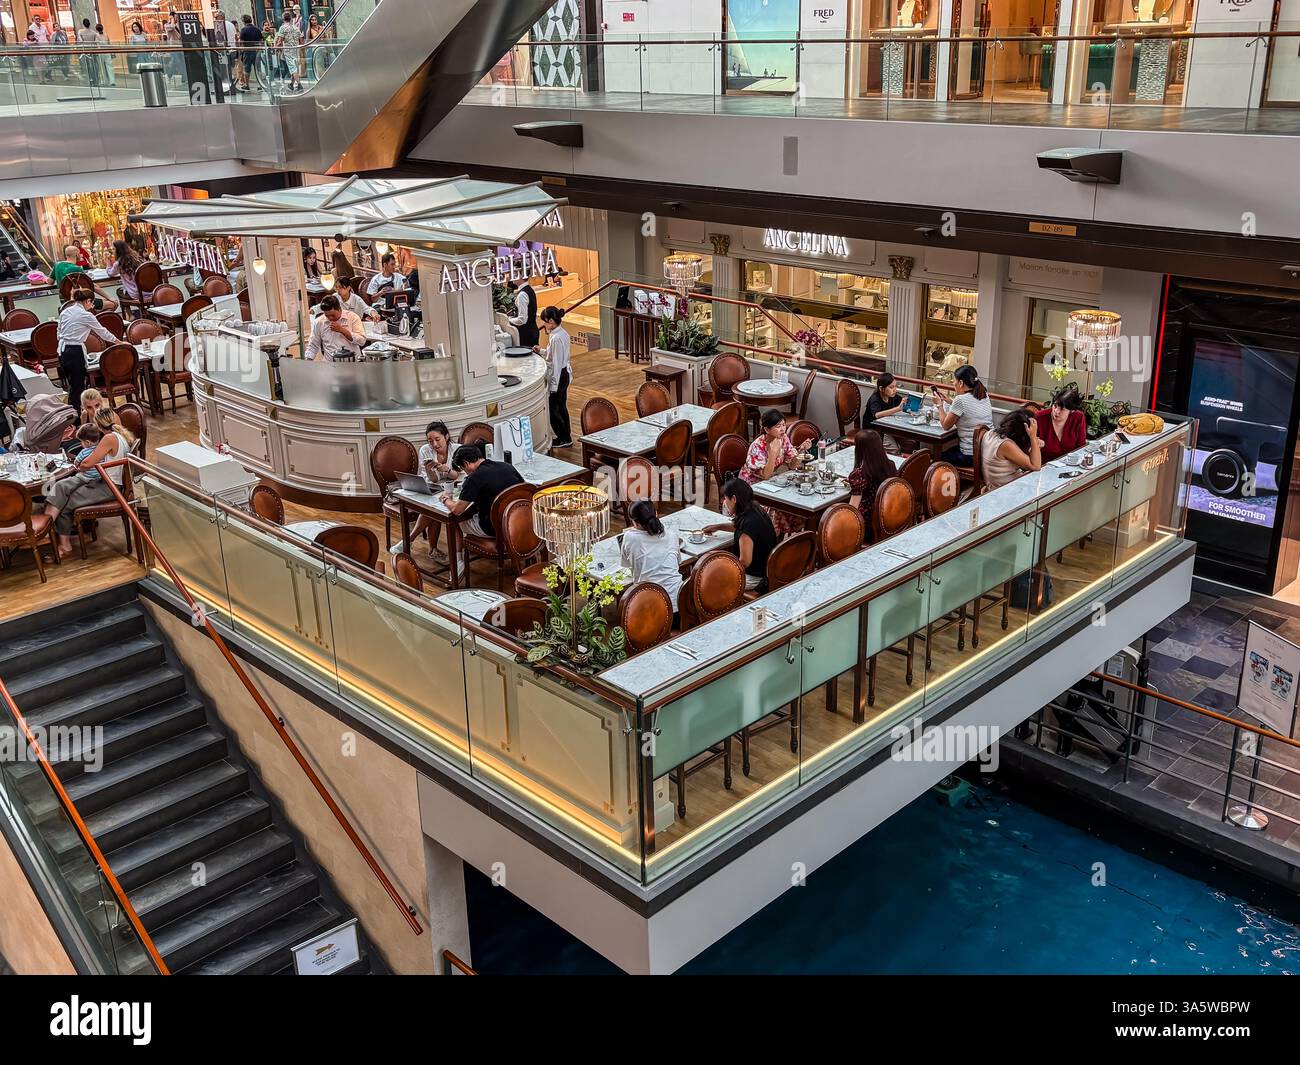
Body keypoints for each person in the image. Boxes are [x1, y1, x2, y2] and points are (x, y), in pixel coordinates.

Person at [43, 409, 133, 558]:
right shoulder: (120, 436)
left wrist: (80, 464)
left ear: (98, 424)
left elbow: (87, 464)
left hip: (109, 487)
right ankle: (47, 531)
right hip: (108, 482)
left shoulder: (109, 438)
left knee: (66, 503)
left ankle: (62, 544)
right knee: (61, 488)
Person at [740, 408, 811, 538]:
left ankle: (791, 542)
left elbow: (792, 465)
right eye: (778, 426)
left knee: (796, 502)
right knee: (776, 510)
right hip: (753, 488)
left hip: (772, 485)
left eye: (783, 425)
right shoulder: (757, 447)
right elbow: (765, 475)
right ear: (767, 430)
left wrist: (801, 451)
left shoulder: (784, 439)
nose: (783, 429)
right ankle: (771, 542)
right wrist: (773, 452)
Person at [389, 420, 454, 560]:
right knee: (433, 510)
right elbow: (433, 480)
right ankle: (433, 550)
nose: (434, 444)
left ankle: (409, 540)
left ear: (446, 436)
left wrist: (447, 470)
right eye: (430, 441)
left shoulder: (457, 449)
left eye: (437, 439)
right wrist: (431, 470)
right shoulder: (425, 450)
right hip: (434, 487)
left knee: (433, 509)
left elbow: (459, 475)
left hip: (452, 487)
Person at [701, 477, 777, 593]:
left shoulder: (747, 527)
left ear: (734, 499)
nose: (723, 502)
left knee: (707, 580)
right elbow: (738, 525)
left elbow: (744, 562)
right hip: (768, 568)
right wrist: (717, 527)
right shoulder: (755, 510)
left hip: (755, 578)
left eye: (725, 498)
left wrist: (722, 569)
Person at [441, 443, 523, 540]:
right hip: (520, 520)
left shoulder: (474, 478)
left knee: (458, 521)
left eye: (463, 469)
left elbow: (457, 510)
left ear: (466, 463)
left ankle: (460, 554)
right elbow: (523, 487)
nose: (465, 472)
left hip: (495, 528)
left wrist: (445, 499)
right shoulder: (506, 466)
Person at [58, 289, 118, 412]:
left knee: (73, 386)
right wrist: (119, 342)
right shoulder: (86, 315)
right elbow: (103, 332)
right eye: (92, 302)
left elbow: (58, 331)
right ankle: (76, 418)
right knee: (78, 388)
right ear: (87, 301)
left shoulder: (65, 312)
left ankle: (78, 414)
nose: (92, 305)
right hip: (75, 352)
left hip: (62, 351)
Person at [620, 500, 683, 618]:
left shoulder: (629, 537)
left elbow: (626, 563)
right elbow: (677, 564)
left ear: (635, 523)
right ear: (657, 514)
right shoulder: (671, 535)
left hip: (652, 610)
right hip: (680, 605)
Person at [933, 364, 992, 468]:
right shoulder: (983, 394)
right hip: (985, 451)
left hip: (969, 456)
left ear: (960, 383)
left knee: (935, 457)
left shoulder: (960, 400)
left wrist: (939, 405)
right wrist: (950, 401)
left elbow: (945, 426)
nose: (953, 383)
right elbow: (969, 410)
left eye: (954, 381)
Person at [845, 428, 895, 537]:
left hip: (866, 525)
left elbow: (852, 510)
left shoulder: (859, 475)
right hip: (888, 518)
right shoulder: (890, 465)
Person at [535, 305, 571, 448]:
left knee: (553, 408)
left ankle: (563, 437)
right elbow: (554, 356)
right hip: (564, 373)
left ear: (550, 320)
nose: (543, 324)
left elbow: (556, 363)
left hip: (559, 375)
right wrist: (542, 351)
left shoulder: (556, 338)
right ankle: (566, 435)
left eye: (544, 321)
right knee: (562, 406)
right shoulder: (562, 333)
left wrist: (553, 386)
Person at [980, 407, 1043, 490]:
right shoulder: (1006, 445)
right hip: (1005, 488)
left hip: (997, 483)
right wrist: (1033, 438)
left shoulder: (991, 433)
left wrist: (1034, 443)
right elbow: (1035, 466)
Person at [1034, 385, 1087, 461]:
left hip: (1071, 464)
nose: (1056, 411)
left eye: (1062, 409)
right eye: (1055, 405)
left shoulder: (1078, 417)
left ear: (1071, 411)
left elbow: (1081, 447)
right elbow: (1028, 447)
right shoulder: (1039, 417)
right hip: (1043, 466)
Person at [304, 294, 363, 361]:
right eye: (327, 315)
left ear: (339, 309)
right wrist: (307, 362)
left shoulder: (353, 317)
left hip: (352, 363)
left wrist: (342, 330)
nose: (330, 318)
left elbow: (361, 341)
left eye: (333, 315)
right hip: (330, 364)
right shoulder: (319, 322)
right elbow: (313, 345)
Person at [106, 238, 144, 304]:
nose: (113, 251)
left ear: (118, 250)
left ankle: (127, 313)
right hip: (146, 291)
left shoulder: (119, 263)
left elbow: (110, 273)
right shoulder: (137, 258)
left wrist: (108, 261)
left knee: (119, 291)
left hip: (134, 293)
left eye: (114, 249)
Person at [274, 10, 303, 92]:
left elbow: (280, 41)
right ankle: (291, 84)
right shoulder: (296, 27)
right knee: (294, 67)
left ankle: (299, 84)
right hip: (296, 49)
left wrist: (276, 48)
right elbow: (301, 40)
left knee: (292, 68)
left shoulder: (282, 28)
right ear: (290, 18)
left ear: (283, 19)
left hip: (288, 50)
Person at [507, 277, 538, 347]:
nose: (512, 276)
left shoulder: (522, 294)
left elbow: (522, 319)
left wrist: (508, 320)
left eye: (514, 273)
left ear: (521, 276)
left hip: (526, 334)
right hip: (532, 330)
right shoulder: (529, 290)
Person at [237, 14, 261, 91]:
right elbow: (260, 41)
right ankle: (260, 84)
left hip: (247, 51)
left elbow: (241, 42)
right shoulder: (257, 29)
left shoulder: (243, 30)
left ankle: (247, 84)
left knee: (247, 69)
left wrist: (241, 51)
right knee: (258, 68)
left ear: (243, 21)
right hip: (257, 51)